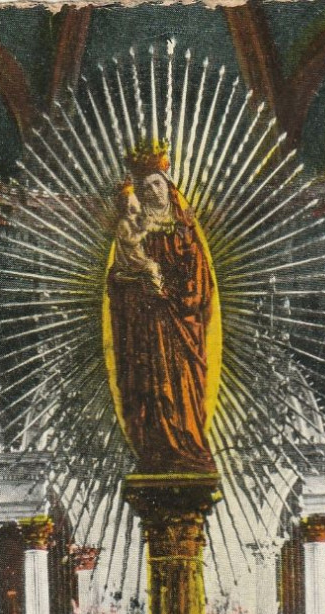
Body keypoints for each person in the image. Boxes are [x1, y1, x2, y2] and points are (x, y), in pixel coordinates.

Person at [107, 146, 216, 475]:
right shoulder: (132, 230)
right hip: (146, 323)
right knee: (151, 386)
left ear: (168, 186)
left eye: (157, 183)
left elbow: (200, 283)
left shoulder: (185, 230)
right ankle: (157, 447)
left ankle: (187, 442)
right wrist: (136, 282)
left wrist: (173, 295)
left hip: (179, 321)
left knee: (182, 384)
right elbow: (118, 278)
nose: (152, 190)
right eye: (146, 186)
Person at [113, 182, 164, 296]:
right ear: (128, 205)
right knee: (152, 267)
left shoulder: (132, 219)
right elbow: (132, 240)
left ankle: (156, 287)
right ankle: (156, 291)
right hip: (130, 258)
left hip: (136, 254)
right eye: (134, 201)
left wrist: (147, 225)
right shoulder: (123, 223)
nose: (138, 204)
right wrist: (144, 231)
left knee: (155, 264)